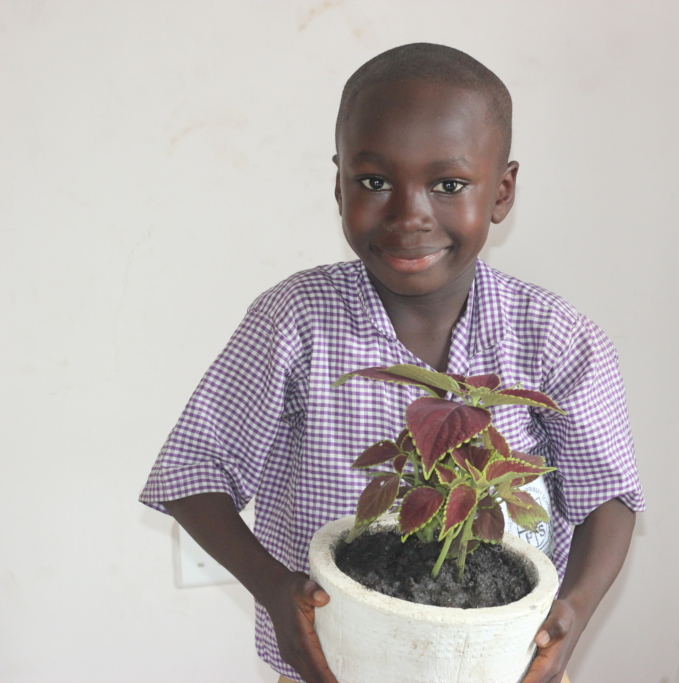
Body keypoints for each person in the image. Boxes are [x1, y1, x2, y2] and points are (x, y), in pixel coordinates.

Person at [140, 43, 644, 683]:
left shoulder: (554, 336)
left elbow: (609, 496)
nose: (409, 216)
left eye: (449, 184)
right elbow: (192, 471)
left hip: (502, 664)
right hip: (334, 661)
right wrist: (272, 587)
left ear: (502, 190)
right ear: (338, 182)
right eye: (374, 182)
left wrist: (569, 614)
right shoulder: (296, 319)